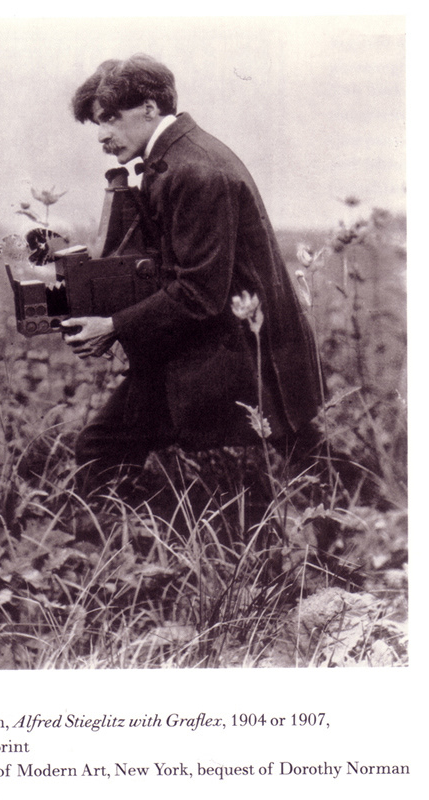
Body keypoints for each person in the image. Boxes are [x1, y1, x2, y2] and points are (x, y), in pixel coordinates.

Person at [60, 54, 324, 500]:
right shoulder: (177, 159)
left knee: (102, 450)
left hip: (237, 349)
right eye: (96, 124)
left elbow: (199, 291)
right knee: (302, 447)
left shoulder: (194, 170)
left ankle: (146, 546)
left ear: (149, 106)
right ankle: (376, 522)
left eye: (109, 119)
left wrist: (113, 326)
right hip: (233, 343)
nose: (102, 135)